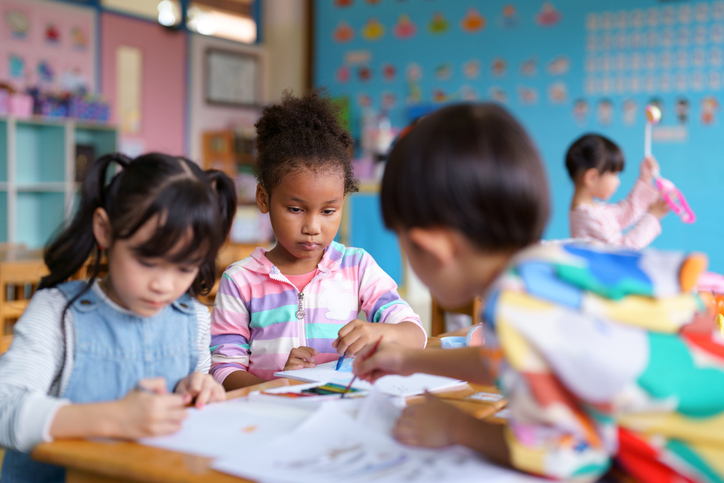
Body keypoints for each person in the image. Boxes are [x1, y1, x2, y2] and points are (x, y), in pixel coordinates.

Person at [353, 103, 721, 483]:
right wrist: (408, 359)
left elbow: (570, 456)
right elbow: (506, 360)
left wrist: (457, 428)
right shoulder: (554, 263)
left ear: (429, 248)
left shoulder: (512, 304)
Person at [0, 153, 236, 482]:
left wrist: (196, 388)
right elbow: (5, 408)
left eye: (184, 267)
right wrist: (114, 418)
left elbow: (192, 393)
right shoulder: (57, 315)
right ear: (105, 231)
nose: (164, 285)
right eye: (147, 261)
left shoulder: (193, 318)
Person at [210, 90, 427, 389]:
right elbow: (223, 369)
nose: (313, 226)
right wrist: (279, 384)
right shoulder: (239, 281)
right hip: (269, 417)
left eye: (328, 211)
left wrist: (381, 333)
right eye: (296, 209)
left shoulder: (356, 266)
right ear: (264, 199)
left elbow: (415, 334)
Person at [566, 134, 669, 249]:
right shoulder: (586, 216)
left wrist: (645, 178)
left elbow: (626, 211)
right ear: (592, 177)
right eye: (614, 174)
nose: (618, 182)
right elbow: (621, 250)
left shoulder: (593, 210)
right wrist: (652, 216)